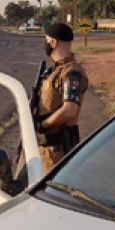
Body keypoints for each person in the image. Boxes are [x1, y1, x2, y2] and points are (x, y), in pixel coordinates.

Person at [34, 23, 90, 173]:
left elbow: (70, 110)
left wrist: (43, 125)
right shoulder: (54, 71)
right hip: (46, 148)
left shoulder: (72, 73)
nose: (45, 44)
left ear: (54, 42)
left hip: (59, 150)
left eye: (46, 40)